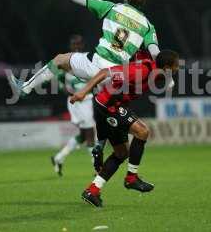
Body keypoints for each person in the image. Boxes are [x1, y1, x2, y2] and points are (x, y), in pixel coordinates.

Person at [10, 0, 162, 96]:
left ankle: (25, 88)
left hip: (96, 64)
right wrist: (167, 72)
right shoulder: (148, 26)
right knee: (109, 113)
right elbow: (156, 54)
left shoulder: (112, 8)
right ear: (143, 0)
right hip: (117, 76)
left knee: (60, 60)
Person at [70, 50, 179, 207]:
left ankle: (92, 190)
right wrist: (82, 92)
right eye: (176, 66)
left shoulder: (157, 72)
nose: (177, 69)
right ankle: (131, 178)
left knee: (122, 153)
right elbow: (104, 72)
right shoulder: (141, 71)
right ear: (167, 67)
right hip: (108, 106)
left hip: (113, 107)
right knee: (142, 131)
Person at [50, 35, 96, 176]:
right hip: (78, 101)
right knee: (90, 133)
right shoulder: (65, 61)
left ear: (83, 45)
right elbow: (56, 78)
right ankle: (97, 168)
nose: (76, 46)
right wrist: (67, 89)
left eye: (79, 44)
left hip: (87, 99)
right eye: (73, 44)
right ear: (70, 46)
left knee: (83, 135)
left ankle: (58, 158)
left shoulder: (87, 59)